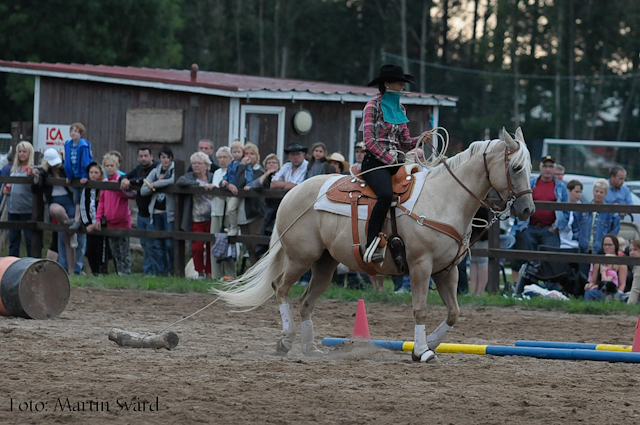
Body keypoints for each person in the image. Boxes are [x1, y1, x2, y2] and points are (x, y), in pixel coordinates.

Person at [360, 64, 432, 264]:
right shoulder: (372, 106)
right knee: (385, 195)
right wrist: (391, 159)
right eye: (399, 83)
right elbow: (369, 141)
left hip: (396, 161)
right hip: (374, 162)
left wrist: (420, 139)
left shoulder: (400, 109)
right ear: (387, 84)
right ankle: (372, 241)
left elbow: (405, 142)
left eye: (402, 84)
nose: (402, 87)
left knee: (417, 190)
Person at [510, 155, 570, 282]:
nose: (548, 169)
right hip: (530, 227)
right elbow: (520, 203)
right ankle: (528, 286)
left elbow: (566, 210)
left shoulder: (561, 187)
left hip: (549, 229)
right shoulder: (531, 184)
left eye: (550, 166)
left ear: (554, 169)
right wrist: (522, 226)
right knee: (528, 260)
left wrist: (557, 227)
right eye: (545, 166)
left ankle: (549, 289)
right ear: (540, 168)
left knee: (550, 260)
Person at [32, 148, 77, 273]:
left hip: (69, 201)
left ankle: (71, 271)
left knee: (67, 238)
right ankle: (71, 228)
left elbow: (74, 172)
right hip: (55, 201)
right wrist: (36, 179)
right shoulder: (44, 172)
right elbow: (37, 189)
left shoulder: (65, 169)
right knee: (57, 211)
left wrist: (65, 157)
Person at [95, 154, 136, 276]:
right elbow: (101, 201)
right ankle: (119, 272)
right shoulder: (105, 183)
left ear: (117, 166)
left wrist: (121, 190)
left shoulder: (121, 181)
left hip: (122, 220)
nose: (109, 168)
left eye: (112, 165)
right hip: (110, 220)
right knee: (114, 249)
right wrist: (98, 218)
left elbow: (132, 195)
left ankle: (126, 272)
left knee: (124, 249)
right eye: (107, 166)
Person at [120, 147, 158, 275]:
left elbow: (146, 180)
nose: (143, 158)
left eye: (146, 156)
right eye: (141, 156)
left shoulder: (156, 168)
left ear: (151, 156)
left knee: (154, 244)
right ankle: (148, 271)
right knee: (144, 244)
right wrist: (123, 180)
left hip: (153, 214)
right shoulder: (138, 169)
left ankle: (157, 272)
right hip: (141, 213)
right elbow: (124, 176)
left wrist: (129, 181)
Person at [177, 152, 215, 278]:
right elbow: (180, 181)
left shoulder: (213, 177)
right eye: (194, 163)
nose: (196, 166)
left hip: (213, 217)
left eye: (199, 163)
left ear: (206, 165)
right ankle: (199, 272)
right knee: (197, 247)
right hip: (196, 218)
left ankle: (209, 273)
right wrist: (197, 185)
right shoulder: (189, 177)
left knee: (211, 246)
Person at [573, 178, 620, 277]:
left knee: (600, 276)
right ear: (593, 191)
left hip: (601, 250)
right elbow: (575, 223)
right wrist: (579, 237)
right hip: (584, 248)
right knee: (582, 275)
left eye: (601, 192)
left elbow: (614, 230)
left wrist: (607, 245)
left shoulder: (611, 211)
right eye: (596, 191)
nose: (598, 194)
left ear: (606, 194)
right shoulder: (584, 208)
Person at [141, 146, 175, 276]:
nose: (165, 160)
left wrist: (156, 184)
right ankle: (161, 272)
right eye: (163, 157)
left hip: (169, 213)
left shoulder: (174, 171)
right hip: (155, 212)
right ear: (159, 159)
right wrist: (156, 183)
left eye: (167, 157)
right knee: (157, 244)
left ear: (171, 158)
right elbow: (144, 190)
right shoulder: (155, 172)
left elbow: (173, 181)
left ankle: (172, 270)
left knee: (169, 244)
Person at [5, 141, 36, 257]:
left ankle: (30, 264)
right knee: (13, 240)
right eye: (20, 151)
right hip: (12, 209)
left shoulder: (33, 169)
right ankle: (12, 264)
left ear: (29, 153)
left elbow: (36, 187)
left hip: (26, 209)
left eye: (24, 152)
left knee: (29, 240)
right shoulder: (14, 169)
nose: (22, 154)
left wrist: (34, 176)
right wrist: (7, 191)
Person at [210, 147, 236, 279]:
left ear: (230, 159)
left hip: (228, 210)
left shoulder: (233, 172)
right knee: (214, 242)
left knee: (229, 242)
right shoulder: (216, 173)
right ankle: (216, 275)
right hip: (216, 210)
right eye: (219, 157)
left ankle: (230, 275)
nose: (222, 160)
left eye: (224, 157)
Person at [237, 142, 265, 265]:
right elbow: (238, 182)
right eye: (246, 153)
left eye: (251, 153)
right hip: (242, 211)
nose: (248, 156)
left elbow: (246, 184)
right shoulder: (240, 168)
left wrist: (243, 167)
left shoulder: (259, 171)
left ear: (256, 156)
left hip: (255, 211)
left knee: (256, 244)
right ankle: (253, 270)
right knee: (248, 246)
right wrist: (242, 166)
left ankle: (260, 272)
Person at [63, 123, 94, 231]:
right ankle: (76, 218)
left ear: (81, 133)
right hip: (74, 175)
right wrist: (69, 175)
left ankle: (78, 219)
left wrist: (85, 175)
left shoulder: (83, 145)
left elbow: (85, 162)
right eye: (72, 131)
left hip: (82, 175)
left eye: (76, 131)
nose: (73, 133)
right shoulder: (68, 144)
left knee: (82, 198)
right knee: (76, 198)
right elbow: (67, 161)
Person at [220, 140, 253, 237]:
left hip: (238, 190)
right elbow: (227, 174)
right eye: (234, 152)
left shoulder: (245, 163)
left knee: (231, 208)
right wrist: (224, 180)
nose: (236, 154)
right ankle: (231, 226)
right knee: (229, 210)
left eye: (238, 152)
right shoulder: (230, 164)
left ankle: (234, 227)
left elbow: (249, 174)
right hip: (229, 190)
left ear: (242, 152)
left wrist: (248, 184)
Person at [82, 162, 109, 275]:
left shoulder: (103, 187)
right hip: (90, 224)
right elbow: (83, 206)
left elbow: (105, 206)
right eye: (91, 172)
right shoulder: (87, 189)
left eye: (96, 172)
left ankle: (102, 271)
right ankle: (93, 272)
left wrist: (100, 221)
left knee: (101, 249)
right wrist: (87, 223)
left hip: (101, 224)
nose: (93, 175)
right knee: (90, 250)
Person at [253, 153, 281, 260]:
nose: (272, 164)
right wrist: (266, 174)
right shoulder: (263, 177)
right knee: (262, 243)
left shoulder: (282, 176)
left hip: (278, 210)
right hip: (266, 211)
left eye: (274, 162)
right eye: (269, 163)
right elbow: (255, 186)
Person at [584, 234, 627, 301]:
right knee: (589, 292)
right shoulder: (598, 262)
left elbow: (622, 285)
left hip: (613, 291)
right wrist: (589, 285)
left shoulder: (621, 264)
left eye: (610, 245)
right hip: (600, 289)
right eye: (605, 244)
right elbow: (593, 281)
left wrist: (616, 297)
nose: (607, 247)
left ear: (615, 246)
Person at [469, 207, 489, 296]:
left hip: (483, 231)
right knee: (473, 260)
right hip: (473, 231)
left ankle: (480, 291)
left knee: (482, 261)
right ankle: (473, 290)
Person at [559, 180, 583, 249]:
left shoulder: (582, 208)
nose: (579, 194)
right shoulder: (561, 206)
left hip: (575, 244)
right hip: (561, 242)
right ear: (569, 191)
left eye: (580, 192)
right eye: (576, 192)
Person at [626, 239, 640, 304]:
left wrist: (628, 307)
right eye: (630, 250)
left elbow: (635, 290)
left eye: (635, 250)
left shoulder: (638, 266)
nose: (632, 252)